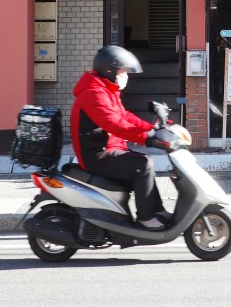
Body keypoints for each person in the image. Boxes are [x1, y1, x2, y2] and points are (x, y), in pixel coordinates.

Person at [71, 45, 172, 229]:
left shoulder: (106, 89)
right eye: (122, 70)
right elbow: (114, 124)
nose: (125, 74)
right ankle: (146, 217)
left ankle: (157, 209)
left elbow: (124, 116)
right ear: (109, 70)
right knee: (143, 165)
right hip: (97, 155)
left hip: (111, 148)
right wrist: (146, 138)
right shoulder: (93, 93)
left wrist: (152, 129)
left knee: (143, 162)